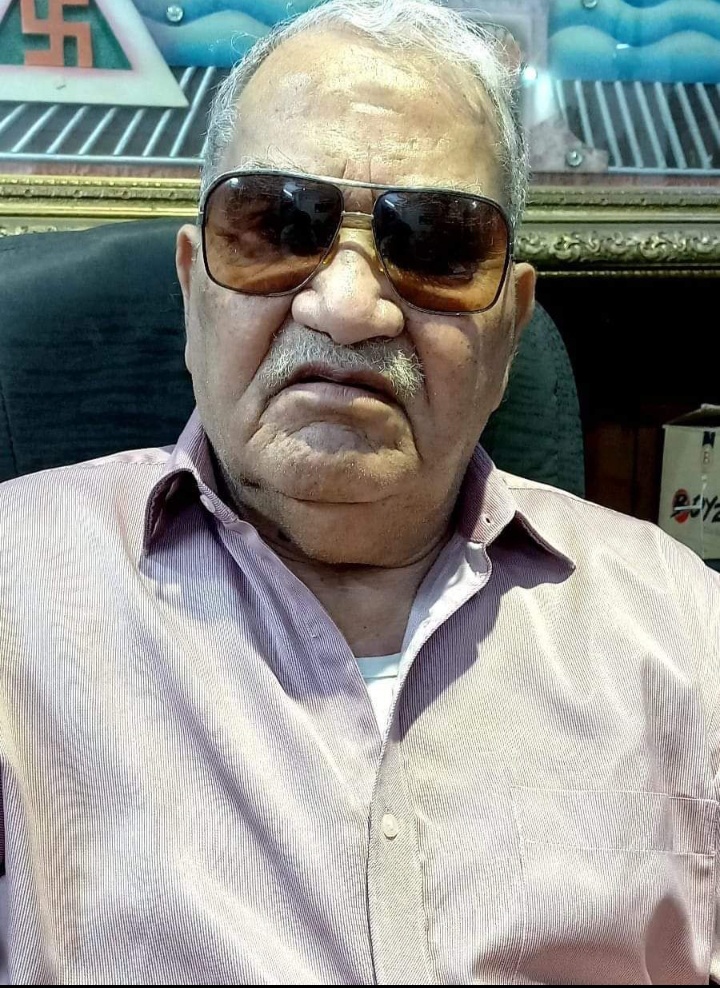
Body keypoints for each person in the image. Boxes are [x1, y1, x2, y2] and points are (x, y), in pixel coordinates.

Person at [0, 0, 718, 983]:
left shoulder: (683, 627)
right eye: (275, 226)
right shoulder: (13, 593)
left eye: (433, 243)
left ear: (510, 327)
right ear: (192, 285)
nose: (345, 306)